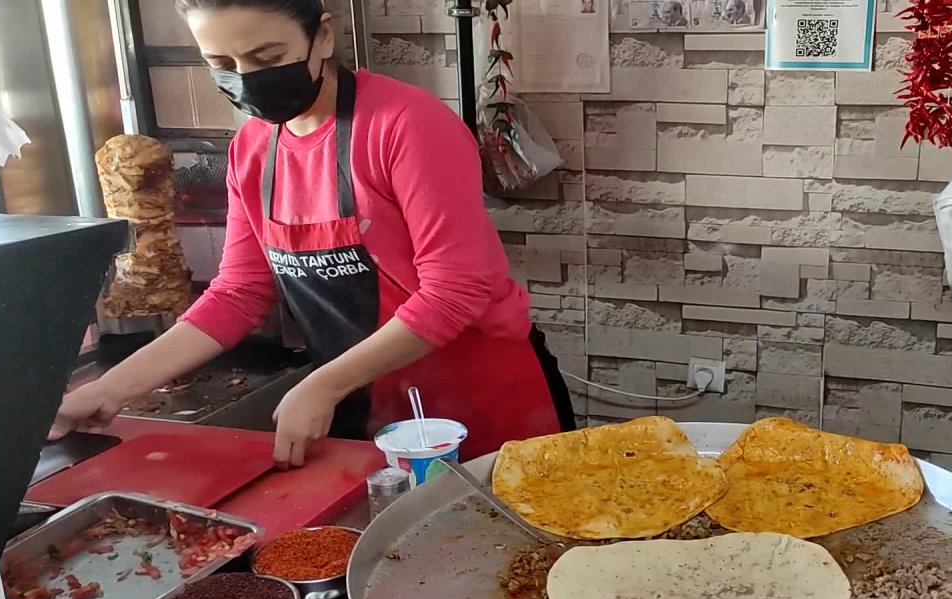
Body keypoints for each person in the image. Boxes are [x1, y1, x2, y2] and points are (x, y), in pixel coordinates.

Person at [50, 0, 575, 467]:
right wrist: (109, 390)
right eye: (222, 64)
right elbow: (238, 293)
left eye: (267, 57)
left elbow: (455, 290)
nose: (246, 78)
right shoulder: (252, 149)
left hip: (475, 396)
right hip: (361, 399)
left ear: (321, 37)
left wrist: (322, 384)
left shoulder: (406, 124)